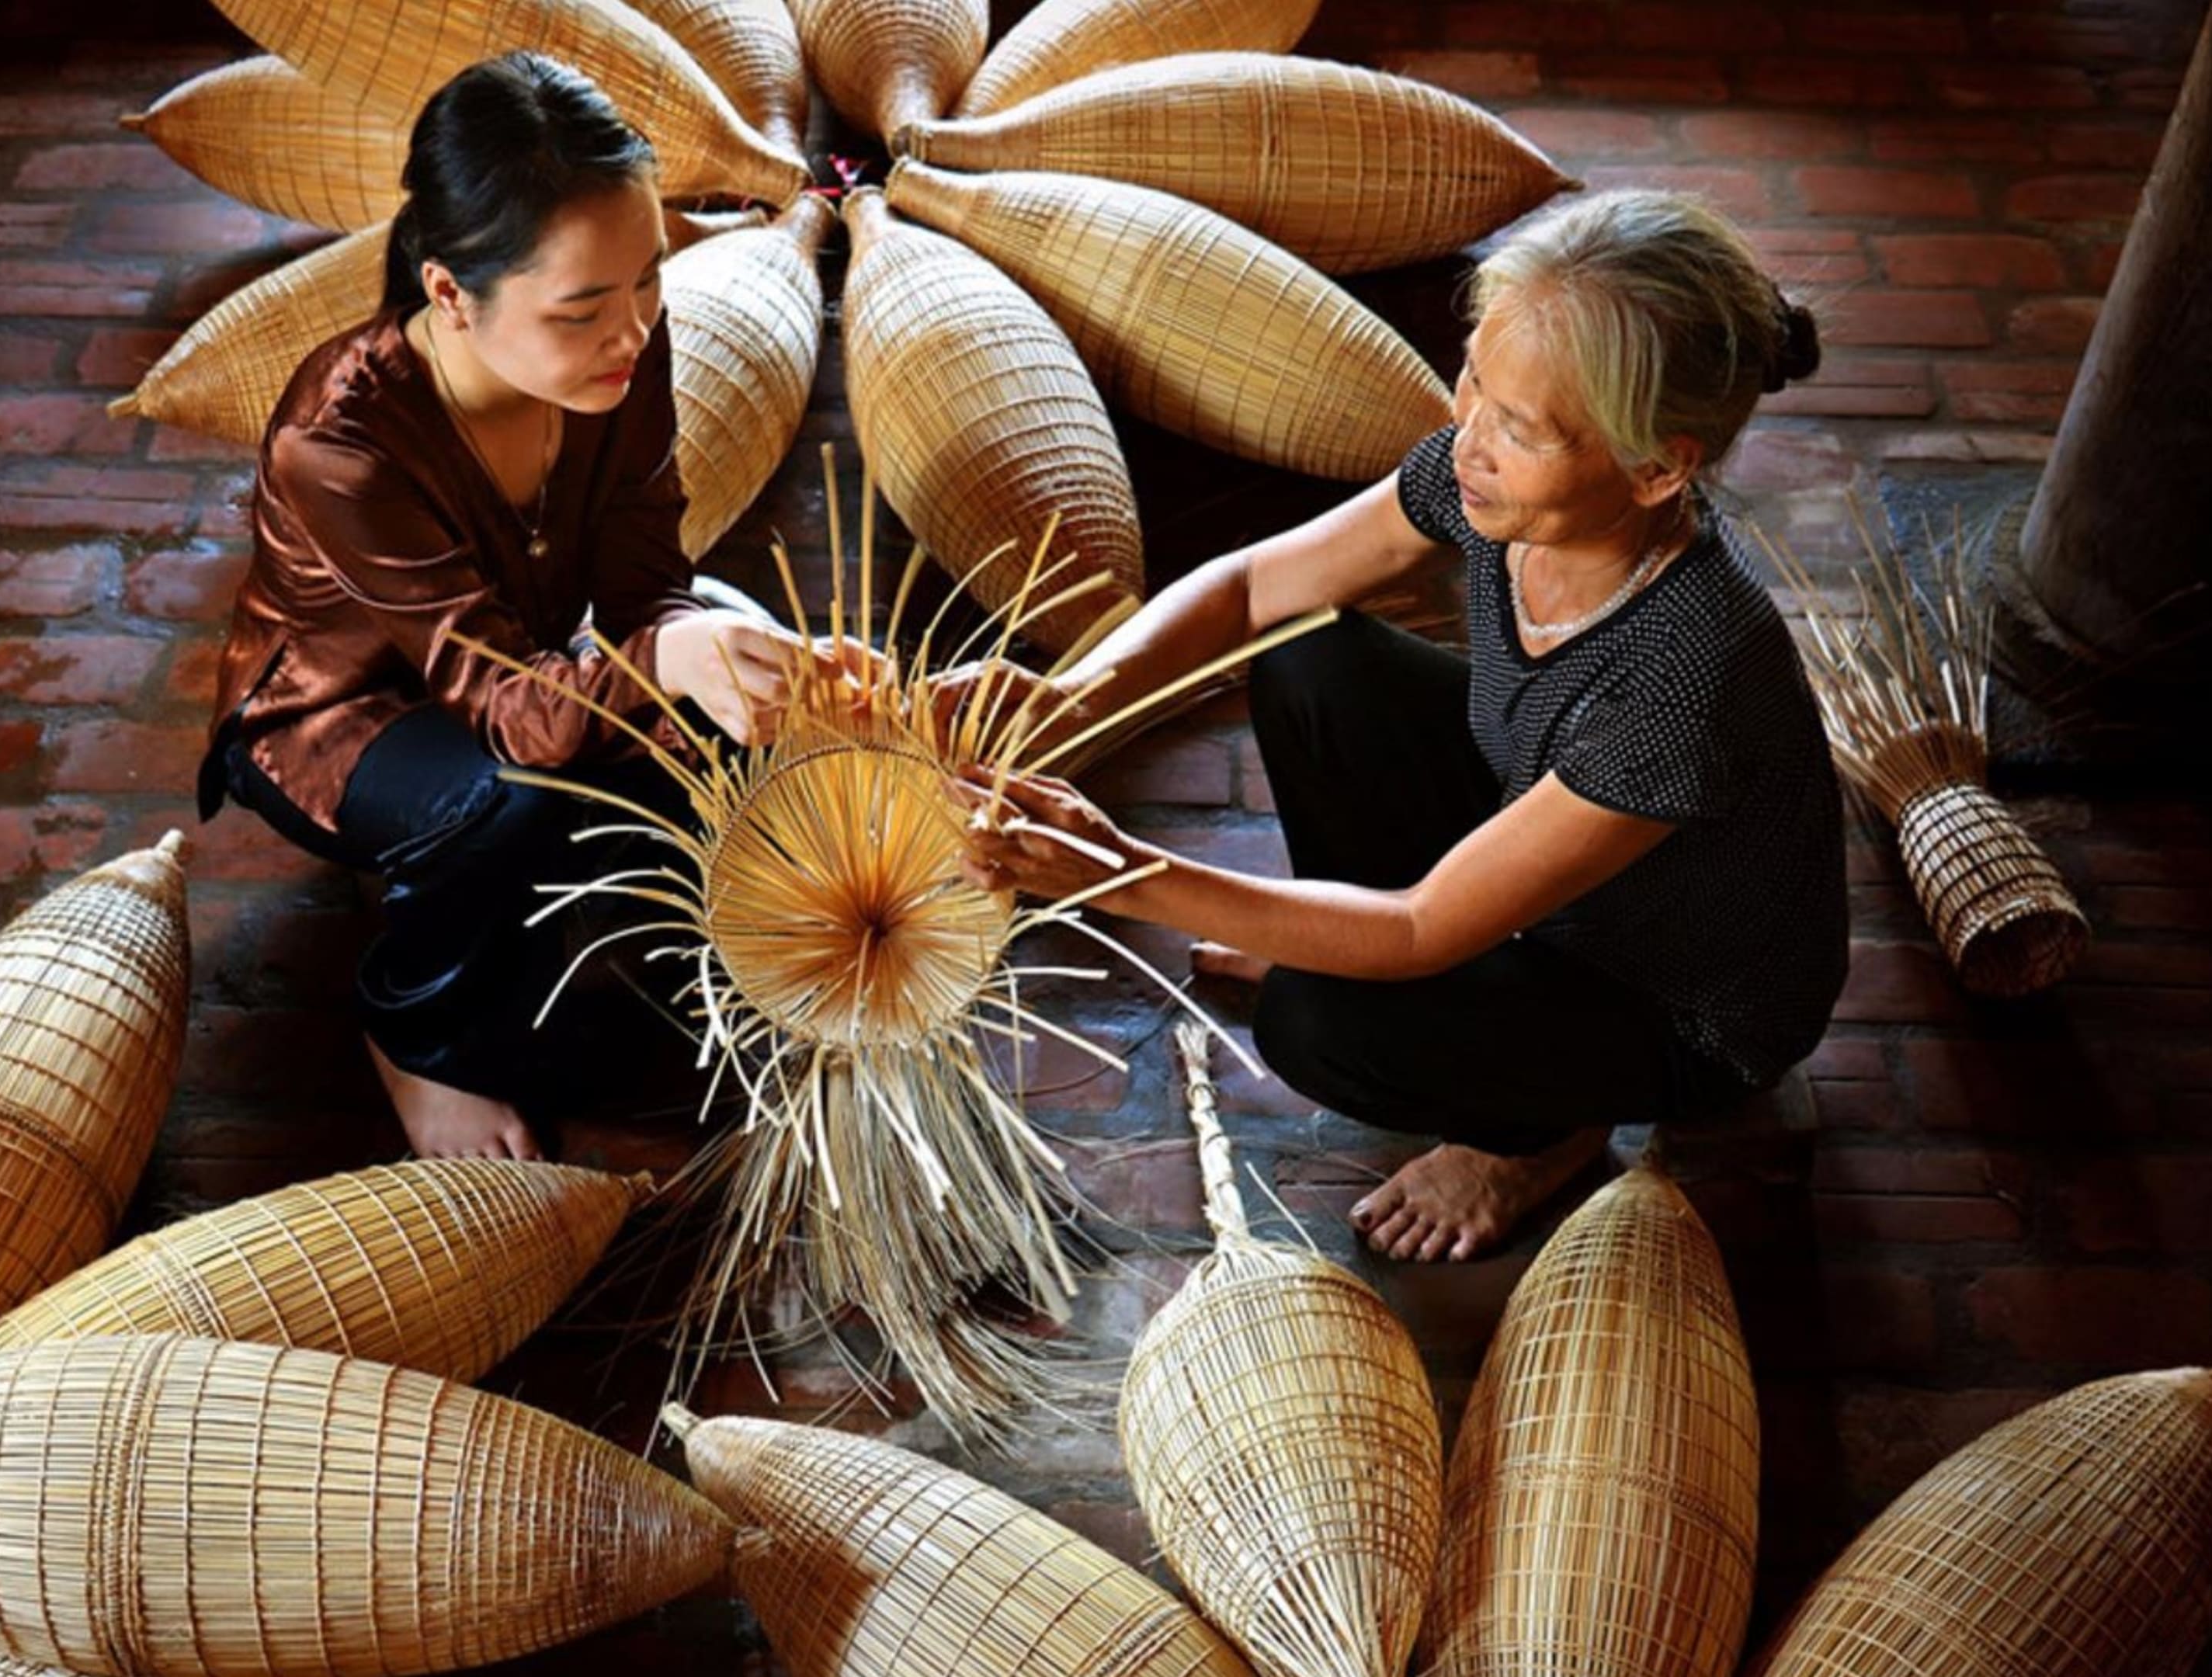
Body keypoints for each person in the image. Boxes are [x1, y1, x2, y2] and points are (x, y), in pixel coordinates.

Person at [950, 190, 1850, 1262]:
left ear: (1658, 470)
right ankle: (1346, 947)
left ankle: (1536, 1136)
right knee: (1308, 654)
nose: (1470, 439)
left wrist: (1116, 872)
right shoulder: (1490, 483)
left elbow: (1422, 929)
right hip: (1552, 849)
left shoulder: (1684, 678)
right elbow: (1250, 589)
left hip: (1670, 1003)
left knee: (1321, 1024)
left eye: (1520, 429)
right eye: (1474, 380)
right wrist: (1065, 696)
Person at [200, 54, 814, 1162]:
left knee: (738, 653)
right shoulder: (336, 445)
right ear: (448, 294)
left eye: (648, 280)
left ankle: (511, 890)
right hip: (339, 722)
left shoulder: (623, 349)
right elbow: (508, 708)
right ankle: (412, 1027)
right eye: (582, 310)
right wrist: (664, 666)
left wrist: (695, 644)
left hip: (527, 672)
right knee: (520, 803)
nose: (632, 332)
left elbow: (645, 582)